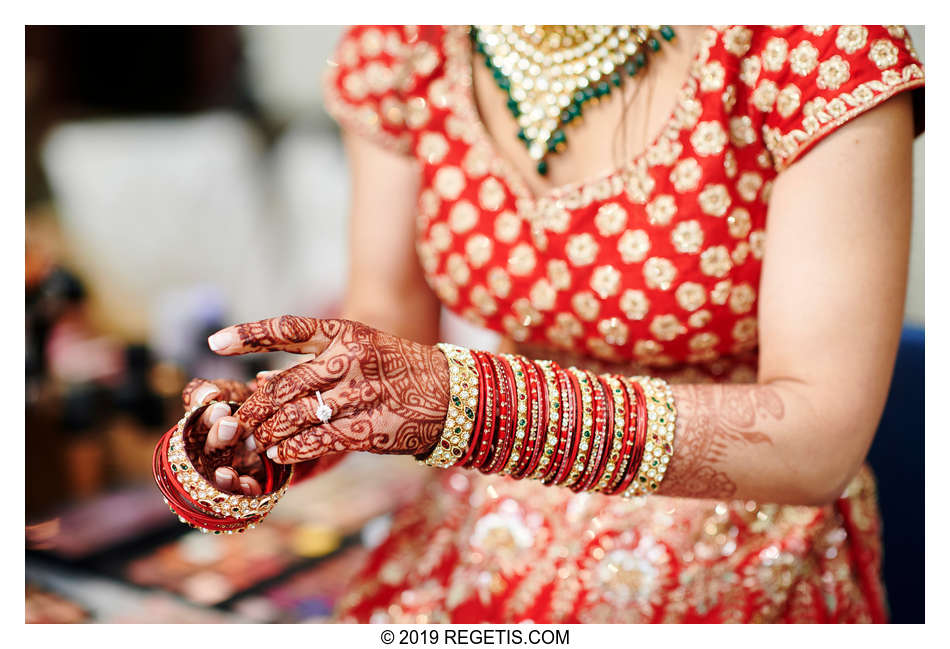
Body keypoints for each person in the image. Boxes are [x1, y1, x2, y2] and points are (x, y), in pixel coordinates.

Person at [181, 25, 924, 622]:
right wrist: (284, 424)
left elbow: (818, 435)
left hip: (739, 559)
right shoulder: (409, 42)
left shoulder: (810, 44)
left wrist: (468, 403)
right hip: (482, 544)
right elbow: (386, 315)